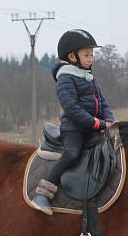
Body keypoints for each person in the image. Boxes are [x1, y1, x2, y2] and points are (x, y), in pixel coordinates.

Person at [32, 29, 116, 215]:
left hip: (94, 127)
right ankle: (43, 192)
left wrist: (110, 120)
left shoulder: (90, 77)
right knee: (72, 154)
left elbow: (103, 103)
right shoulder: (65, 78)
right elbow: (72, 108)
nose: (91, 58)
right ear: (72, 56)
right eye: (87, 55)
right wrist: (98, 124)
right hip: (74, 129)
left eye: (92, 54)